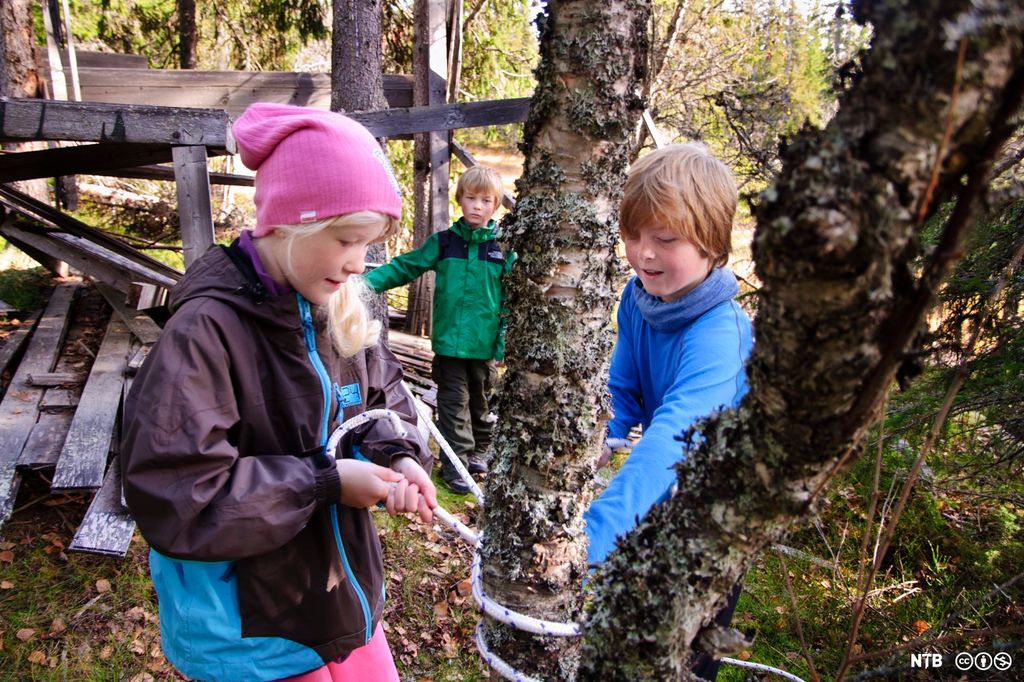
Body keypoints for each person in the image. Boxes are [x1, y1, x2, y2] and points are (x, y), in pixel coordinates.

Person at [121, 103, 437, 682]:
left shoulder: (340, 308)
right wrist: (327, 482)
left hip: (335, 591)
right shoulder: (206, 332)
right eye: (345, 240)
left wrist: (399, 455)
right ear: (288, 223)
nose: (356, 264)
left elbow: (382, 399)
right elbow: (179, 494)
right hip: (248, 623)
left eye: (368, 245)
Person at [584, 142, 753, 680]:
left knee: (678, 658)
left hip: (715, 526)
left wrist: (592, 533)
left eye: (665, 238)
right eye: (632, 235)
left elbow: (674, 439)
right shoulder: (640, 299)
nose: (643, 253)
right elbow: (624, 393)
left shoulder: (720, 338)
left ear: (711, 242)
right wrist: (584, 448)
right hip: (658, 506)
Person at [365, 166, 514, 495]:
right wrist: (366, 284)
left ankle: (480, 452)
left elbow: (511, 299)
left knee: (482, 402)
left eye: (486, 200)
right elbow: (407, 265)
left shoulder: (503, 249)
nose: (477, 206)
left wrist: (503, 343)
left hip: (485, 345)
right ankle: (455, 463)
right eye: (471, 198)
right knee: (452, 403)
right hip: (448, 344)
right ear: (460, 199)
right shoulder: (444, 243)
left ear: (496, 205)